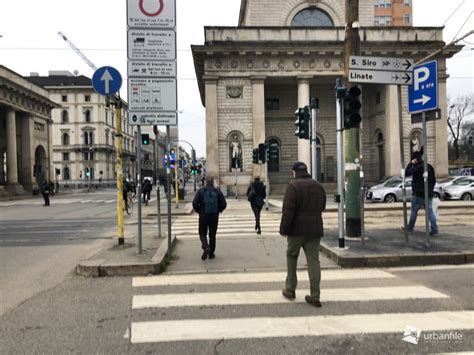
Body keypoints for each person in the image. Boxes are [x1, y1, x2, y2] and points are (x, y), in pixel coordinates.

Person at [279, 162, 326, 308]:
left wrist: (284, 229)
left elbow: (288, 211)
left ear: (294, 172)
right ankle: (315, 296)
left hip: (296, 230)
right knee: (313, 261)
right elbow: (322, 206)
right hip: (314, 229)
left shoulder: (293, 186)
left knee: (292, 256)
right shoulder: (318, 186)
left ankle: (290, 288)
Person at [401, 148, 438, 236]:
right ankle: (434, 230)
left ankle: (409, 228)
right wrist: (430, 189)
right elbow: (434, 180)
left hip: (418, 194)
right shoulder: (429, 167)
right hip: (429, 193)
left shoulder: (416, 167)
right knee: (430, 212)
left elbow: (407, 173)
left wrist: (411, 163)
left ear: (415, 160)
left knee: (414, 211)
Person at [192, 176, 227, 260]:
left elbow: (194, 204)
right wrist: (219, 210)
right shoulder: (217, 191)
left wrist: (199, 211)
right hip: (214, 216)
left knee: (202, 233)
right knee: (212, 235)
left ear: (205, 182)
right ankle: (211, 253)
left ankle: (205, 246)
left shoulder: (201, 192)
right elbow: (224, 204)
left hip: (203, 215)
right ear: (213, 182)